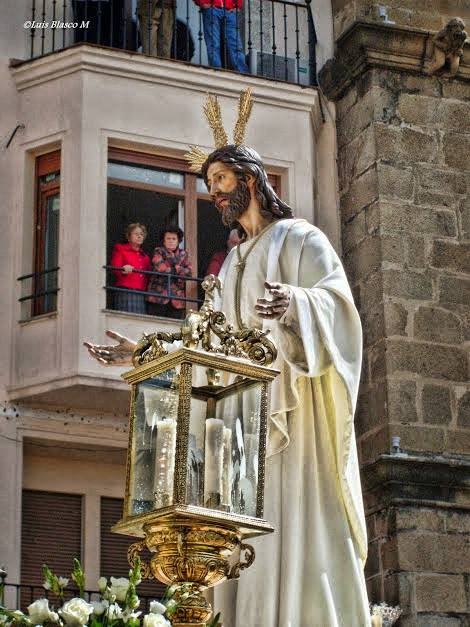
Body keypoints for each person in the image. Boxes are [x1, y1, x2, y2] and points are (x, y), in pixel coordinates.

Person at [85, 95, 370, 626]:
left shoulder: (301, 238)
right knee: (248, 524)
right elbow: (205, 341)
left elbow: (339, 306)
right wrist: (142, 351)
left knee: (295, 514)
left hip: (294, 408)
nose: (214, 195)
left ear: (251, 180)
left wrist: (295, 305)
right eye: (209, 185)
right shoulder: (233, 262)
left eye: (220, 182)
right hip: (244, 421)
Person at [146, 225, 193, 319]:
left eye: (174, 239)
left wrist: (172, 269)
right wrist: (178, 269)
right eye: (168, 238)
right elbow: (161, 268)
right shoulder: (158, 251)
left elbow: (189, 272)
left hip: (177, 301)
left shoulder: (183, 254)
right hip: (158, 298)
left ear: (178, 241)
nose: (171, 241)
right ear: (163, 240)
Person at [193, 0, 249, 73]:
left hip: (229, 11)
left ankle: (243, 72)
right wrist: (202, 3)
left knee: (235, 45)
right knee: (214, 43)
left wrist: (238, 6)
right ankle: (216, 71)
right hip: (212, 9)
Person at [109, 222, 152, 314]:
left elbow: (148, 276)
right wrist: (123, 269)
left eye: (141, 234)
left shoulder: (145, 256)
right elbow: (115, 268)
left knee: (139, 323)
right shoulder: (121, 250)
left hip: (141, 293)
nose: (139, 236)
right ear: (129, 237)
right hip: (126, 291)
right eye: (136, 234)